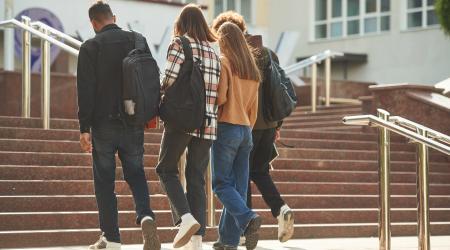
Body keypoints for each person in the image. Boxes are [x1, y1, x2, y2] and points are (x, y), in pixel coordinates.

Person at [76, 1, 160, 249]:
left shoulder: (90, 46)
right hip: (133, 121)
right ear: (114, 17)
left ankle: (111, 237)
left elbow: (85, 90)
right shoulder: (138, 40)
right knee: (136, 173)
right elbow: (149, 81)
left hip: (103, 125)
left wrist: (84, 128)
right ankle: (145, 216)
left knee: (104, 181)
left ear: (93, 23)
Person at [212, 11, 295, 243]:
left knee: (230, 180)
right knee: (248, 178)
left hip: (235, 125)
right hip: (256, 127)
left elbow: (222, 97)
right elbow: (266, 99)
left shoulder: (230, 60)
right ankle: (232, 238)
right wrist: (272, 124)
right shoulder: (260, 60)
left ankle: (245, 222)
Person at [156, 4, 221, 250]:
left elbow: (169, 79)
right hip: (208, 125)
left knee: (165, 169)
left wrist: (157, 90)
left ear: (181, 24)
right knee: (196, 178)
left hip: (183, 120)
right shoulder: (214, 53)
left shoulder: (180, 44)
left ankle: (185, 218)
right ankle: (197, 241)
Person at [212, 22, 262, 250]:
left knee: (221, 184)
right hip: (246, 131)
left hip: (227, 127)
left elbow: (221, 98)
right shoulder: (252, 69)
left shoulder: (224, 63)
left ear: (224, 41)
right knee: (238, 187)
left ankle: (248, 218)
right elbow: (254, 109)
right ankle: (228, 241)